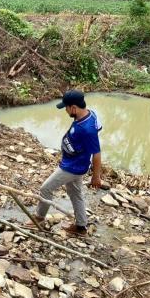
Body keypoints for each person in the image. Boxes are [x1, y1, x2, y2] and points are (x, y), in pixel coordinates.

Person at [27, 90, 102, 236]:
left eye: (66, 107)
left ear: (74, 108)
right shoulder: (89, 114)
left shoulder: (87, 130)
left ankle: (39, 218)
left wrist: (96, 176)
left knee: (46, 188)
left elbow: (97, 154)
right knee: (76, 193)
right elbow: (99, 127)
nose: (66, 111)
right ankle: (81, 227)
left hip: (73, 167)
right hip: (75, 162)